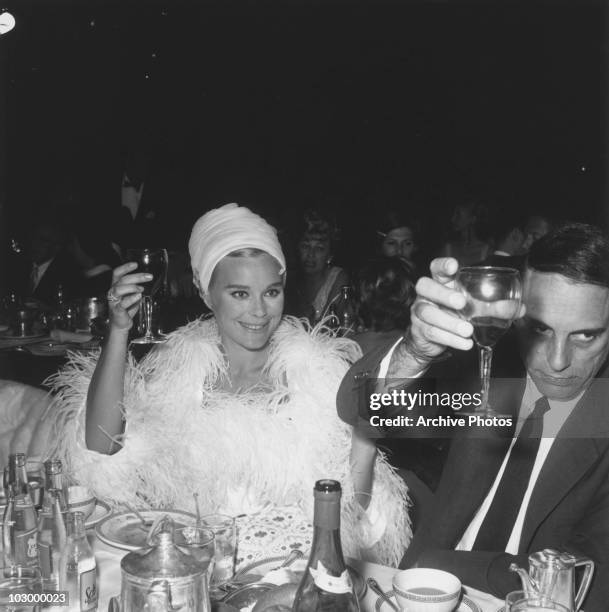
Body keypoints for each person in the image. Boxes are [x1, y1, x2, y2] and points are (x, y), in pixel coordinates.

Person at [47, 203, 410, 567]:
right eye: (239, 293)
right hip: (200, 575)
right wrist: (119, 331)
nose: (259, 311)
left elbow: (356, 512)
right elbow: (99, 449)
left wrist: (366, 436)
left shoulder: (318, 378)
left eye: (271, 292)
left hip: (294, 577)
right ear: (205, 293)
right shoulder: (178, 376)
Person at [337, 222, 609, 609]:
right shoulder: (485, 364)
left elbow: (593, 579)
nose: (558, 361)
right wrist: (414, 352)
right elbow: (356, 407)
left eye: (586, 336)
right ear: (516, 311)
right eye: (540, 329)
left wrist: (441, 565)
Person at [285, 210, 349, 323]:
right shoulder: (289, 279)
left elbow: (327, 327)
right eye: (305, 246)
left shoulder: (339, 278)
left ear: (330, 255)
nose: (310, 254)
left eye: (319, 249)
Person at [439, 198, 491, 266]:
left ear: (473, 219)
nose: (453, 219)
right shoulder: (448, 249)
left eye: (458, 214)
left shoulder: (487, 251)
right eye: (454, 214)